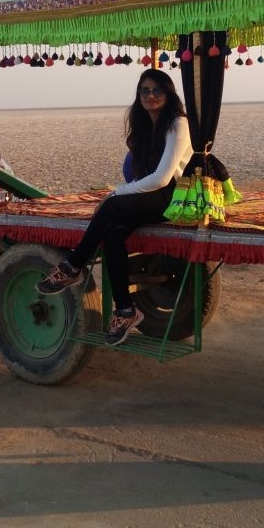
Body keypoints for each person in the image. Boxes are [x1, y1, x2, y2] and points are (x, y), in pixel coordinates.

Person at [36, 68, 192, 345]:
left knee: (110, 207)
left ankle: (72, 266)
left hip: (174, 196)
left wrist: (115, 195)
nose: (150, 95)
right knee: (112, 234)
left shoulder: (178, 124)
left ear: (168, 93)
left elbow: (163, 177)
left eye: (156, 90)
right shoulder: (146, 126)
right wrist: (119, 195)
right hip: (153, 195)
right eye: (144, 91)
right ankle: (125, 310)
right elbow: (143, 176)